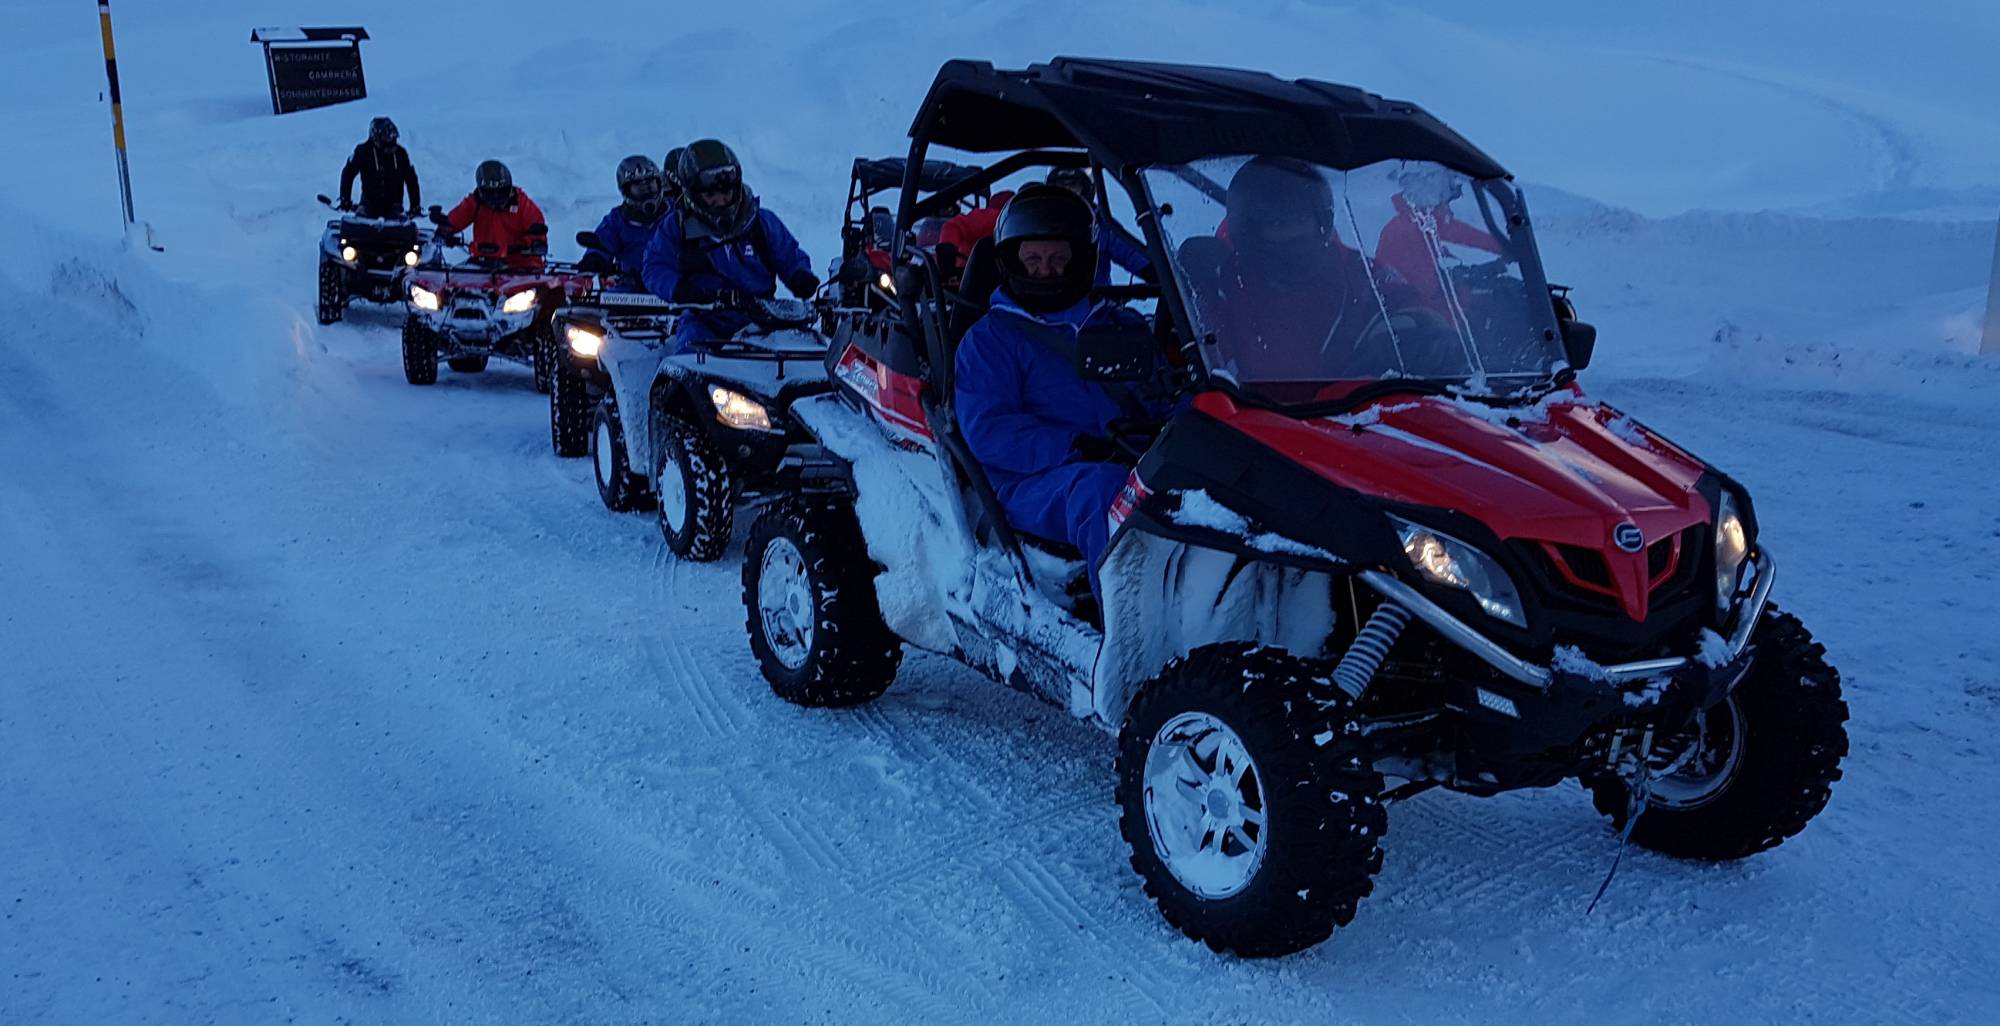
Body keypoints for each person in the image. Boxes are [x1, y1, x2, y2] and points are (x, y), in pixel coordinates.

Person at [954, 185, 1165, 599]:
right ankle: (1131, 633)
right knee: (1105, 493)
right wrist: (1075, 447)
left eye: (1057, 259)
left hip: (1132, 459)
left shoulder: (1120, 326)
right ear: (1011, 262)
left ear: (1082, 260)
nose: (1045, 271)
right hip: (1036, 480)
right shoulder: (990, 341)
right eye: (1032, 260)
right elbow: (990, 430)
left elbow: (1161, 394)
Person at [1181, 157, 1405, 392]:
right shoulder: (1216, 288)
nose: (1280, 233)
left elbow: (1413, 319)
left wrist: (1418, 336)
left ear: (1323, 221)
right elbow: (1188, 368)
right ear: (1242, 230)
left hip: (1352, 419)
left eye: (1291, 219)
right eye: (1271, 222)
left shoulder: (1364, 279)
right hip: (1236, 422)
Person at [641, 139, 818, 350]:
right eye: (711, 195)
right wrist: (678, 288)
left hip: (763, 322)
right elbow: (654, 265)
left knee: (803, 363)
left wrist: (800, 275)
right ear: (692, 194)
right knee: (686, 365)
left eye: (726, 192)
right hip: (705, 321)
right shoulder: (677, 227)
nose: (721, 200)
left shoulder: (760, 222)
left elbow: (789, 254)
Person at [1374, 163, 1502, 310]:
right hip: (1418, 314)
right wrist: (1466, 295)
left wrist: (1503, 246)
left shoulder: (1414, 222)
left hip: (1414, 301)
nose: (1448, 208)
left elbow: (1468, 235)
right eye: (1446, 201)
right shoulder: (1412, 228)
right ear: (1431, 197)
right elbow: (1425, 297)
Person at [434, 160, 547, 270]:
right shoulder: (476, 202)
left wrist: (534, 243)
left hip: (521, 266)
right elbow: (457, 219)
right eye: (491, 193)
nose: (496, 197)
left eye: (500, 192)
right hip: (483, 263)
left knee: (541, 287)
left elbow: (537, 228)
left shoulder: (523, 205)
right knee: (454, 283)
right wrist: (445, 228)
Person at [1047, 166, 1151, 283]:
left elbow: (1130, 253)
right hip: (1044, 296)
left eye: (1073, 185)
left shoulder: (1102, 225)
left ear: (1087, 189)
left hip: (1094, 298)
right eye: (1061, 186)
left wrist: (1154, 272)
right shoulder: (1039, 223)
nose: (1067, 192)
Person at [584, 155, 669, 278]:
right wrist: (595, 259)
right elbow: (603, 242)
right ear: (626, 192)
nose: (647, 192)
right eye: (639, 189)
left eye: (651, 186)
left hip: (672, 287)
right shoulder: (617, 220)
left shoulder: (675, 216)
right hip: (629, 289)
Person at [337, 116, 420, 219]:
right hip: (368, 205)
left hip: (394, 207)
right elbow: (348, 174)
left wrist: (415, 205)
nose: (392, 144)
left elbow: (411, 179)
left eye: (393, 139)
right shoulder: (363, 152)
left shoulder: (401, 154)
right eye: (387, 140)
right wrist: (345, 199)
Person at [938, 189, 1014, 266]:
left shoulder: (995, 218)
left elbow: (953, 226)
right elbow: (954, 226)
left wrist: (946, 247)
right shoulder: (996, 218)